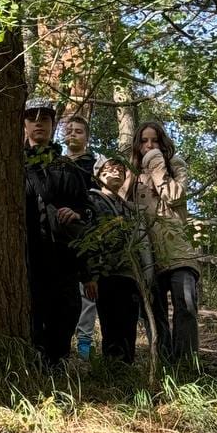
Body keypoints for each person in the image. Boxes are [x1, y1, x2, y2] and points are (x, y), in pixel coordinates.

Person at [23, 97, 92, 366]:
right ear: (24, 125)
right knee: (33, 307)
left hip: (63, 252)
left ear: (53, 125)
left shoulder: (67, 167)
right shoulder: (13, 165)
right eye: (32, 118)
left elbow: (86, 207)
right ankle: (36, 361)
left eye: (44, 118)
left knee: (66, 308)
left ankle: (57, 362)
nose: (38, 123)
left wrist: (77, 214)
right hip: (27, 252)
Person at [130, 120, 199, 362]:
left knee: (186, 306)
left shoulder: (175, 165)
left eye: (155, 140)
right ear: (137, 145)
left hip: (178, 251)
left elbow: (173, 195)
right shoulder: (133, 176)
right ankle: (164, 364)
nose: (149, 145)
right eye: (144, 141)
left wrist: (156, 163)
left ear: (163, 143)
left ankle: (187, 364)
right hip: (148, 254)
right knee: (154, 312)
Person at [87, 154, 142, 364]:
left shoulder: (128, 208)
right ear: (99, 174)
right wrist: (91, 274)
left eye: (120, 169)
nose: (116, 172)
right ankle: (111, 368)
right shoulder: (92, 200)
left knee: (129, 323)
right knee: (111, 323)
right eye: (109, 169)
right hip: (106, 272)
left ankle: (127, 367)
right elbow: (88, 237)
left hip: (130, 273)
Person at [61, 113, 98, 359]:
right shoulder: (55, 163)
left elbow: (97, 198)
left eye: (79, 131)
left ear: (87, 137)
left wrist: (82, 214)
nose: (73, 134)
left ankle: (85, 344)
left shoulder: (94, 165)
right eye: (69, 130)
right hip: (59, 231)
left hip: (86, 230)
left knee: (89, 289)